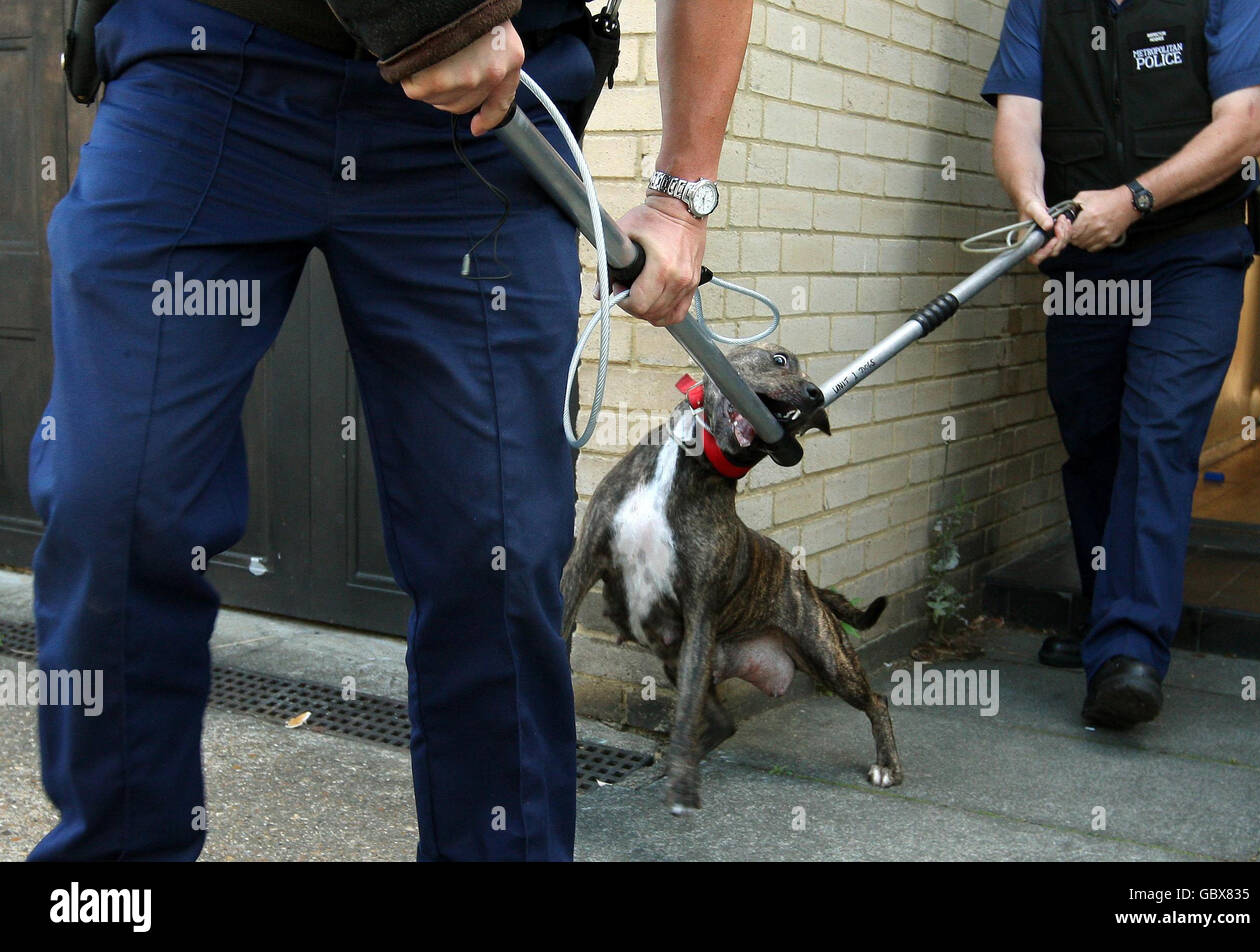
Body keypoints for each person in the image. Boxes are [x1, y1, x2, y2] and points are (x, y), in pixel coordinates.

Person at [27, 0, 754, 861]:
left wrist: (682, 187)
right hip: (204, 63)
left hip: (489, 114)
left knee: (493, 555)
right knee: (115, 504)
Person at [980, 0, 1260, 727]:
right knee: (1092, 437)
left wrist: (1135, 199)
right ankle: (1105, 614)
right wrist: (1030, 201)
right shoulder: (1041, 7)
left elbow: (1246, 122)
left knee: (1156, 433)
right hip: (1089, 261)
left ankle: (1129, 652)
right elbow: (1019, 119)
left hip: (1195, 252)